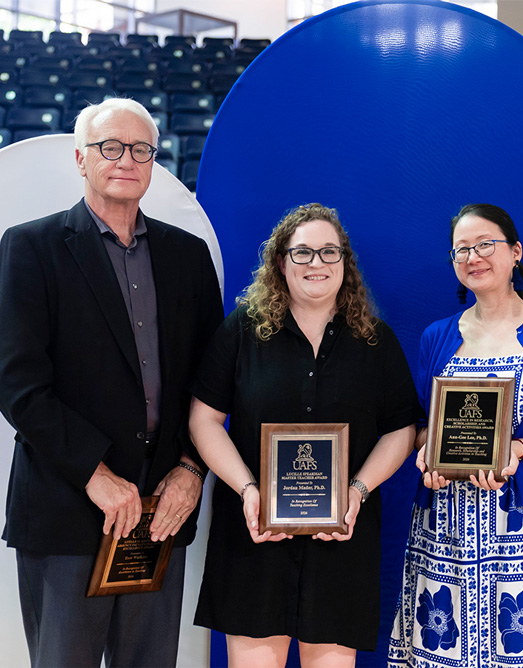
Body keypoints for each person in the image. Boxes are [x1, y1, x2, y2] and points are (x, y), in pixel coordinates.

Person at [0, 97, 224, 666]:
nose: (126, 160)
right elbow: (16, 383)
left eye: (141, 149)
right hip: (67, 508)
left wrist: (191, 471)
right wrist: (94, 473)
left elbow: (213, 379)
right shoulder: (31, 247)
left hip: (161, 512)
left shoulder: (188, 255)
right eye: (110, 147)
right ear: (80, 158)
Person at [188, 203, 420, 667]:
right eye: (303, 253)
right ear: (281, 262)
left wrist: (358, 489)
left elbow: (402, 429)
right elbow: (203, 420)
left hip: (342, 544)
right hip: (254, 539)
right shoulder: (242, 332)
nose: (317, 263)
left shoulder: (376, 340)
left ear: (344, 262)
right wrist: (247, 489)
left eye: (328, 252)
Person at [388, 203, 523, 668]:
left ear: (515, 252)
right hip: (445, 523)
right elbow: (422, 426)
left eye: (485, 245)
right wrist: (427, 457)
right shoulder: (437, 336)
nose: (473, 256)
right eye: (462, 249)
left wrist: (516, 449)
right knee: (442, 651)